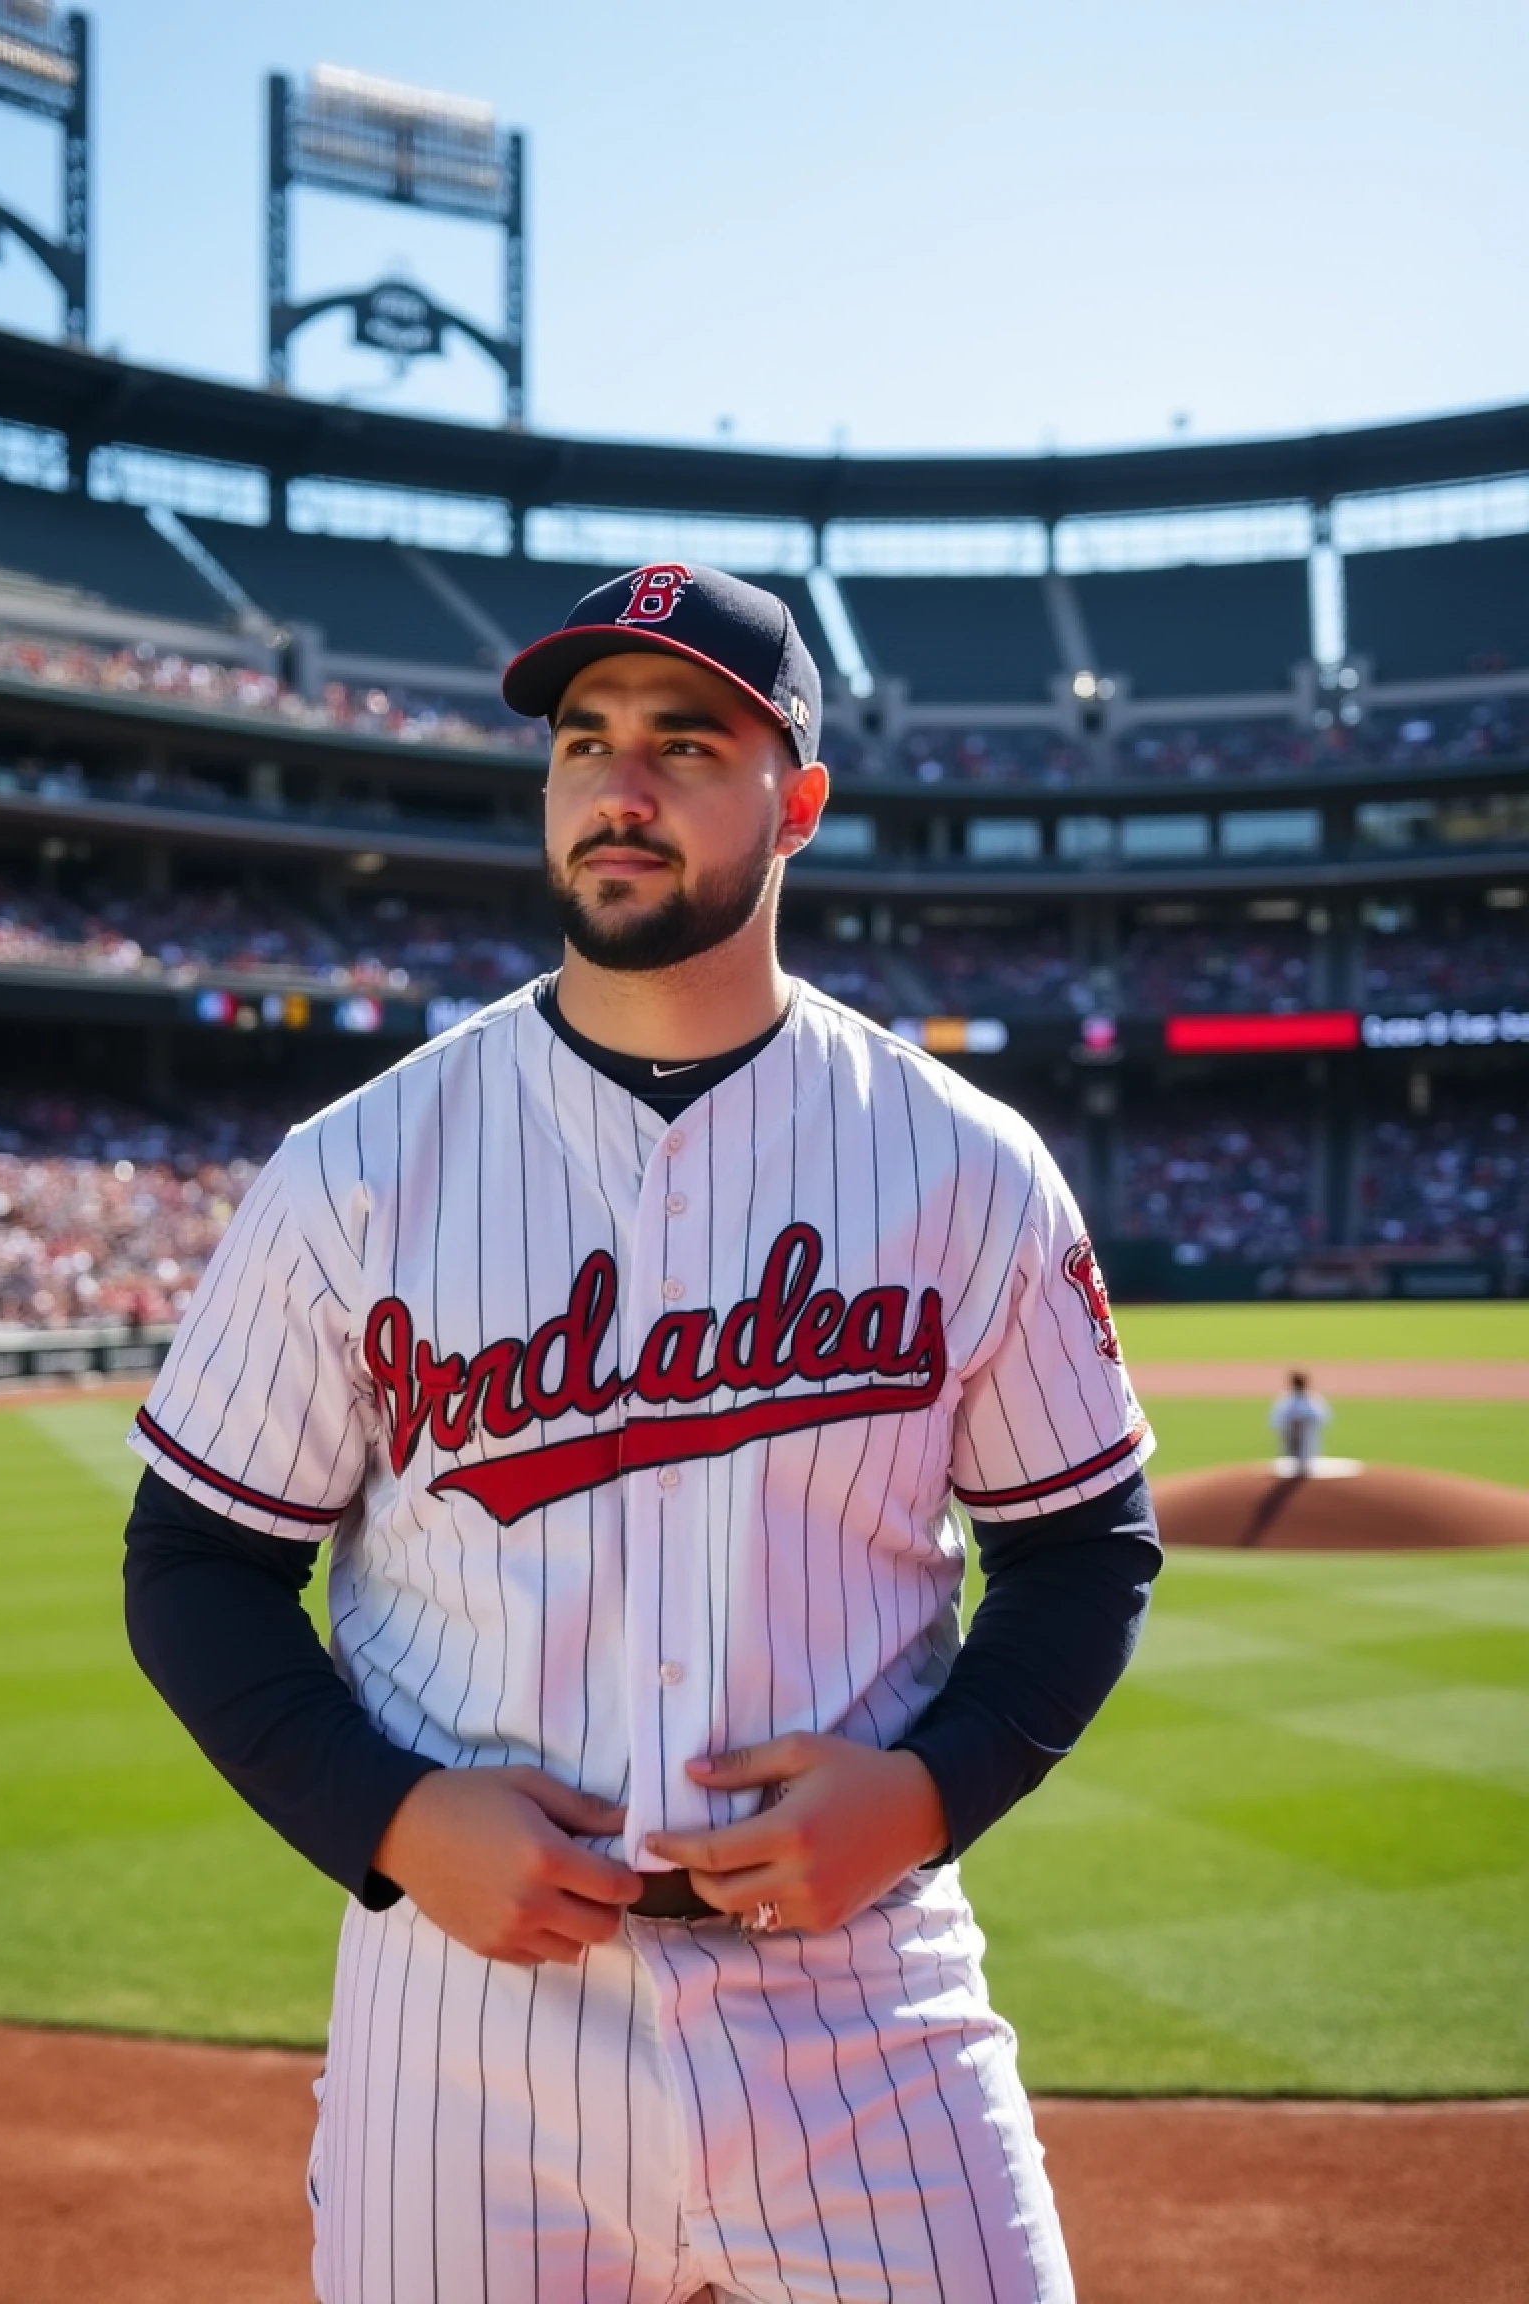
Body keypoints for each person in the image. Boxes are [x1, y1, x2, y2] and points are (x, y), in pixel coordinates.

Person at [123, 564, 1162, 2304]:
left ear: (797, 801)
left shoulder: (964, 1161)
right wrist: (386, 1816)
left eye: (687, 742)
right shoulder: (356, 1165)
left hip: (860, 1993)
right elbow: (197, 1565)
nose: (620, 783)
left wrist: (925, 1790)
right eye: (584, 740)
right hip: (468, 2016)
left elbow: (1083, 1545)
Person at [1270, 1369, 1332, 1472]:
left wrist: (1302, 1421)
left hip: (1306, 1437)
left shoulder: (1310, 1400)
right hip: (1290, 1436)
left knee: (1306, 1462)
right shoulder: (1288, 1400)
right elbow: (1278, 1420)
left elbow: (1321, 1418)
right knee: (1289, 1463)